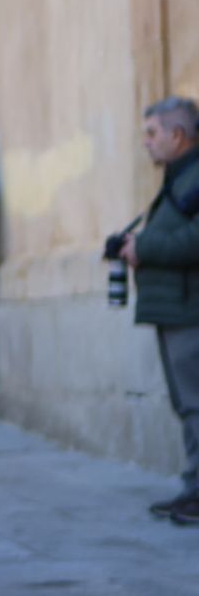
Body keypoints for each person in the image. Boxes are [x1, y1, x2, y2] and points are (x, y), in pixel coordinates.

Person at [119, 96, 199, 524]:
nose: (146, 143)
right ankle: (193, 488)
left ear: (178, 134)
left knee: (197, 403)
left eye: (152, 133)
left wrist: (142, 247)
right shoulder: (180, 178)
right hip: (176, 307)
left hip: (191, 309)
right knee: (188, 404)